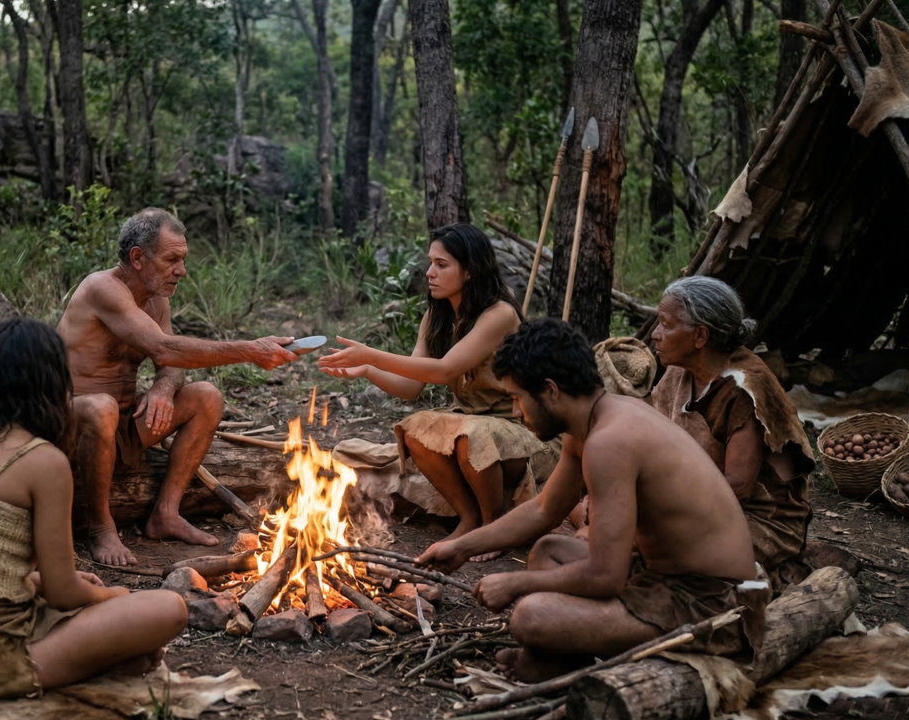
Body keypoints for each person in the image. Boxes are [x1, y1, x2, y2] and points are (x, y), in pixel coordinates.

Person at [417, 319, 769, 682]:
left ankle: (560, 663)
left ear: (550, 390)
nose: (516, 413)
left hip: (714, 605)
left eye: (517, 398)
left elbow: (605, 577)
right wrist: (461, 547)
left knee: (530, 616)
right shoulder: (594, 421)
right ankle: (559, 661)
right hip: (663, 578)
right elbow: (544, 510)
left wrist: (515, 584)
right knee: (547, 551)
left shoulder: (609, 442)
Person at [0, 318, 187, 699]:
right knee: (168, 608)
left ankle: (107, 655)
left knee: (91, 606)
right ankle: (102, 660)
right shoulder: (44, 461)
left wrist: (44, 584)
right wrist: (111, 597)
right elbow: (63, 594)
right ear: (54, 382)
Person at [56, 208, 299, 566]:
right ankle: (100, 527)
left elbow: (168, 363)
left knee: (206, 396)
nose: (181, 271)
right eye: (172, 260)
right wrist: (248, 350)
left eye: (182, 260)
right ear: (138, 258)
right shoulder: (102, 288)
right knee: (101, 406)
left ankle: (165, 514)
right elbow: (164, 348)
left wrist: (163, 389)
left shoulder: (157, 298)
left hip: (122, 422)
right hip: (68, 423)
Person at [317, 224, 545, 555]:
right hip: (471, 422)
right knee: (414, 430)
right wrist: (367, 369)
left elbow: (446, 369)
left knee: (470, 436)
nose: (429, 273)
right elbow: (411, 387)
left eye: (441, 265)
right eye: (430, 263)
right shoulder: (436, 316)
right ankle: (468, 520)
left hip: (517, 429)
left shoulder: (499, 313)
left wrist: (370, 353)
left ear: (469, 271)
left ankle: (493, 526)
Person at [650, 276, 814, 590]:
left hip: (757, 518)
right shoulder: (676, 372)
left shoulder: (744, 388)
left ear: (700, 335)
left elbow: (735, 490)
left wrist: (657, 512)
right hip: (691, 499)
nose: (656, 335)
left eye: (665, 325)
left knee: (660, 550)